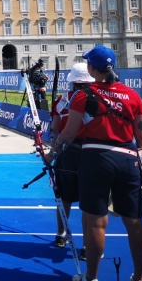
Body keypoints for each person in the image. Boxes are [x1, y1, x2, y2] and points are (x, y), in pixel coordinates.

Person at [47, 46, 142, 281]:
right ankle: (139, 277)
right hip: (128, 159)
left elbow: (68, 134)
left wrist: (51, 154)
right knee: (134, 221)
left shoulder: (83, 95)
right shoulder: (132, 95)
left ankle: (91, 277)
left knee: (95, 221)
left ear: (92, 68)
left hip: (96, 159)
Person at [49, 63, 94, 260]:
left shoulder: (61, 100)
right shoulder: (98, 99)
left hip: (68, 152)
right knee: (90, 202)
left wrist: (52, 151)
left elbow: (55, 130)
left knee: (64, 197)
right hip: (93, 154)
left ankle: (61, 235)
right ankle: (87, 245)